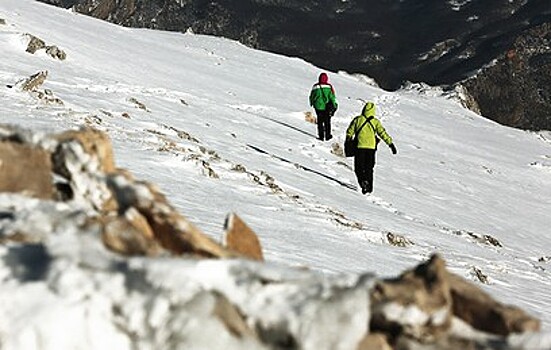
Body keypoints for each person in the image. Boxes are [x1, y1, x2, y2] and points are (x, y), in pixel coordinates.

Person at [346, 101, 397, 194]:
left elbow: (350, 132)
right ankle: (369, 187)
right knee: (369, 168)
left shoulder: (358, 120)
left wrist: (348, 140)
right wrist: (390, 144)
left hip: (359, 147)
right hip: (371, 148)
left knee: (359, 167)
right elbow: (382, 133)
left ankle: (362, 182)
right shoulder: (375, 122)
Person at [309, 72, 338, 141]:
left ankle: (321, 136)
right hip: (326, 107)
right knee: (327, 121)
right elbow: (332, 97)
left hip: (318, 107)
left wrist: (312, 103)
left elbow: (312, 96)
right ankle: (328, 135)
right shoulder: (328, 87)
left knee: (320, 121)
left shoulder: (315, 87)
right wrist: (334, 104)